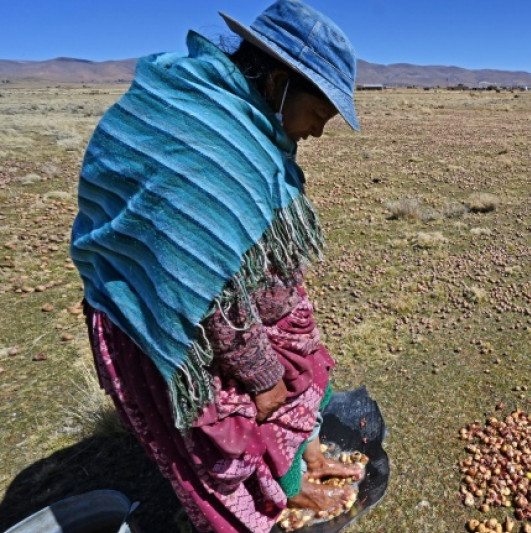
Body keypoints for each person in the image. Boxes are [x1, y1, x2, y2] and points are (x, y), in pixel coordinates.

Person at [69, 1, 364, 531]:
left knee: (299, 376)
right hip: (169, 324)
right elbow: (210, 290)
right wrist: (263, 377)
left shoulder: (230, 117)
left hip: (220, 314)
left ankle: (300, 472)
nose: (317, 133)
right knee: (228, 447)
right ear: (278, 83)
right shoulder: (209, 136)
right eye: (317, 115)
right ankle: (265, 504)